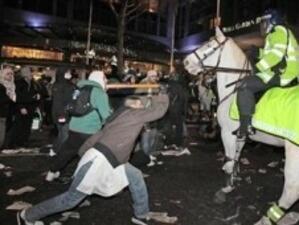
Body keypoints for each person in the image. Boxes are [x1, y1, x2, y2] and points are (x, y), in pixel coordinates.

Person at [17, 92, 169, 225]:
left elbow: (92, 140)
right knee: (70, 199)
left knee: (135, 176)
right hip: (101, 160)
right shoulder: (133, 114)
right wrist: (162, 95)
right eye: (140, 102)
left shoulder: (116, 118)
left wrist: (85, 156)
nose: (143, 104)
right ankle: (27, 215)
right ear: (134, 104)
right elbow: (159, 111)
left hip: (108, 159)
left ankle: (141, 214)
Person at [235, 9, 299, 138]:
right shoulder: (277, 34)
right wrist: (258, 52)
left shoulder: (279, 31)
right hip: (283, 74)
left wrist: (257, 67)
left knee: (245, 85)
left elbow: (276, 55)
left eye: (264, 22)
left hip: (284, 76)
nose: (262, 26)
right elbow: (273, 53)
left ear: (273, 21)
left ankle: (246, 125)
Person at [45, 70, 111, 181]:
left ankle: (51, 172)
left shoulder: (78, 88)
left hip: (74, 126)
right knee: (95, 154)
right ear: (100, 79)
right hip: (90, 130)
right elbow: (106, 115)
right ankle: (88, 178)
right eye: (105, 78)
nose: (107, 80)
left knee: (66, 152)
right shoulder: (99, 93)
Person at [4, 66, 40, 148]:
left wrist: (37, 98)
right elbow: (18, 96)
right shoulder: (19, 83)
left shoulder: (33, 83)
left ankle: (23, 142)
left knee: (27, 126)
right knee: (18, 126)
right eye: (30, 72)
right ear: (26, 73)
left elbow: (34, 94)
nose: (32, 74)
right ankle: (13, 143)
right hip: (22, 108)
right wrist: (21, 107)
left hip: (30, 108)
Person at [51, 67, 76, 154]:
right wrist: (61, 115)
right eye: (67, 72)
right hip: (63, 113)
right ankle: (59, 152)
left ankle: (55, 150)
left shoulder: (67, 84)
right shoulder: (60, 85)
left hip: (66, 112)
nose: (69, 74)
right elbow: (58, 102)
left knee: (62, 134)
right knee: (65, 134)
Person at [0, 66, 16, 149]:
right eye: (8, 74)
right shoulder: (1, 86)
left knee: (6, 131)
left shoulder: (13, 86)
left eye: (11, 74)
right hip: (2, 112)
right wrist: (9, 99)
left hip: (9, 112)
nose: (10, 76)